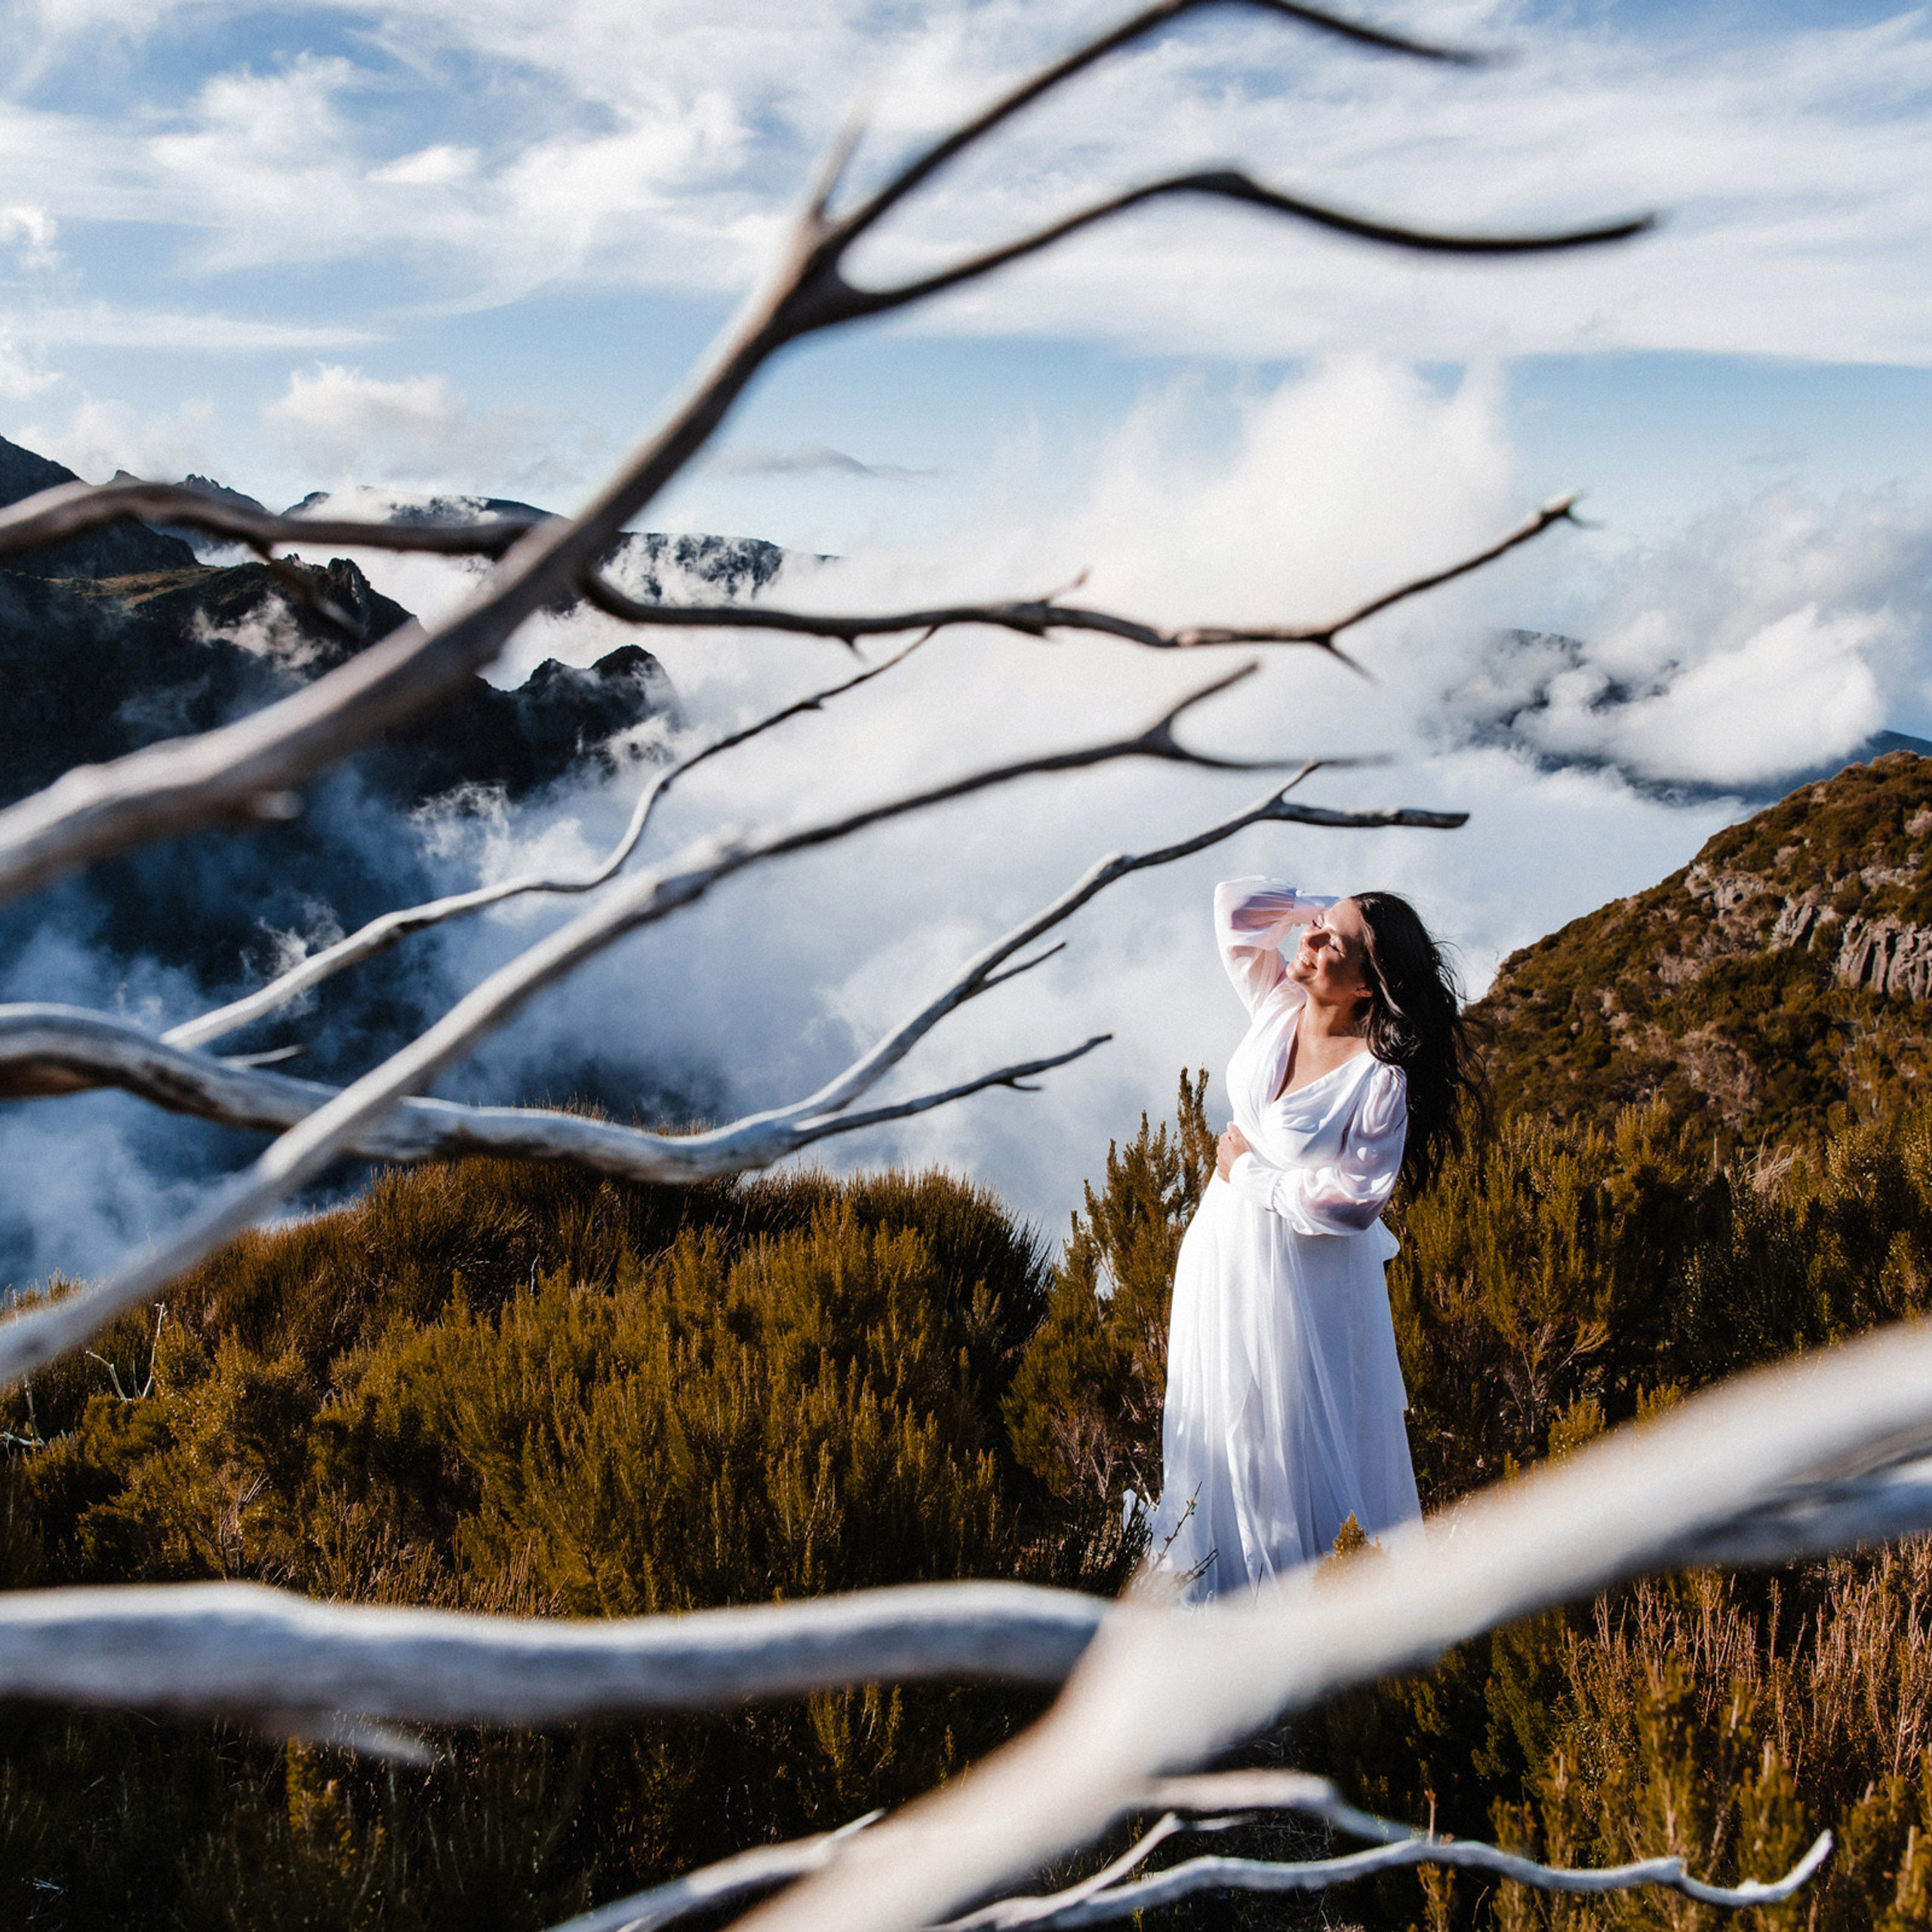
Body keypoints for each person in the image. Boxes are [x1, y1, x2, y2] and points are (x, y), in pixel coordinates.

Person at [1143, 878, 1483, 1600]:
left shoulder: (1378, 1077)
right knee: (1222, 1425)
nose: (1312, 941)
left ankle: (1309, 1629)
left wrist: (1249, 1174)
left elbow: (1353, 1204)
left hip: (1305, 1282)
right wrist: (1331, 908)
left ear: (1368, 987)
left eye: (1336, 944)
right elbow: (1234, 909)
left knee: (1288, 1441)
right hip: (1222, 1259)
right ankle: (1221, 1605)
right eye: (1317, 929)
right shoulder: (1278, 1004)